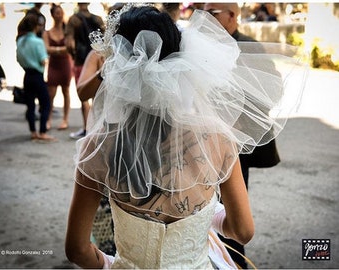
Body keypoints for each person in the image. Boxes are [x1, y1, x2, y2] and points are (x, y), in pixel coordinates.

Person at [65, 5, 305, 269]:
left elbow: (77, 250)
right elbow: (243, 231)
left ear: (118, 65)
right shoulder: (217, 138)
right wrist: (207, 215)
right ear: (178, 58)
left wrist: (112, 264)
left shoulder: (98, 146)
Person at [203, 2, 281, 268]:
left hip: (237, 145)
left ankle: (235, 263)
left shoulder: (248, 46)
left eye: (211, 14)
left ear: (232, 16)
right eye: (202, 13)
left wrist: (238, 120)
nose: (205, 19)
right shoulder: (200, 47)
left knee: (233, 211)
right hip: (202, 143)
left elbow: (273, 88)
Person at [65, 3, 104, 140]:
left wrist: (73, 54)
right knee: (98, 97)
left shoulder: (73, 19)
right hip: (100, 58)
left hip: (82, 61)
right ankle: (96, 127)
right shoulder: (98, 19)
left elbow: (69, 43)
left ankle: (87, 128)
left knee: (84, 95)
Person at [16, 14, 55, 142]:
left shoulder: (20, 40)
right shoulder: (37, 42)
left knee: (30, 105)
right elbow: (43, 60)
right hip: (37, 76)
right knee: (45, 104)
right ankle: (42, 132)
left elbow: (19, 59)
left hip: (27, 75)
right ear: (35, 26)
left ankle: (33, 132)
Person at [43, 4, 72, 131]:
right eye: (56, 13)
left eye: (61, 12)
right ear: (52, 15)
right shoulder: (47, 32)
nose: (59, 15)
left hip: (65, 64)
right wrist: (62, 50)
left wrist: (55, 50)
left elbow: (71, 48)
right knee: (51, 94)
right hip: (53, 65)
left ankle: (65, 119)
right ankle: (48, 119)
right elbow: (46, 49)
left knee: (66, 91)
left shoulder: (68, 32)